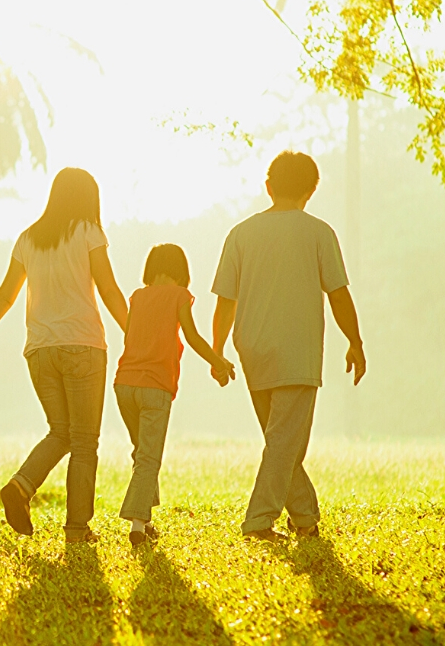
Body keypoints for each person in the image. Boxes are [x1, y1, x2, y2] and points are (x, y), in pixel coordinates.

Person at [0, 168, 128, 542]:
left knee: (61, 432)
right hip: (82, 345)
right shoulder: (89, 232)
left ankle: (20, 485)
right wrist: (136, 332)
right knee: (83, 441)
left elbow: (5, 296)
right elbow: (109, 288)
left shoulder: (28, 238)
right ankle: (78, 529)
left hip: (39, 351)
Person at [211, 151, 366, 542]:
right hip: (297, 349)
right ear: (312, 191)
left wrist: (217, 351)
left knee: (280, 441)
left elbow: (224, 300)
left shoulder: (240, 234)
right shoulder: (318, 232)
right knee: (285, 441)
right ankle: (259, 522)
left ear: (269, 187)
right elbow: (338, 294)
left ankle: (305, 519)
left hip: (252, 348)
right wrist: (355, 340)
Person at [114, 243, 236, 546]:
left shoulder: (138, 297)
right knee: (149, 458)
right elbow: (192, 336)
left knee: (142, 451)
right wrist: (218, 361)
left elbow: (132, 335)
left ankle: (145, 520)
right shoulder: (179, 296)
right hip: (155, 386)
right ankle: (137, 526)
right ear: (182, 271)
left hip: (124, 385)